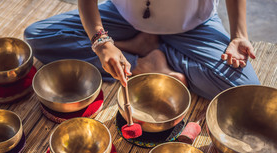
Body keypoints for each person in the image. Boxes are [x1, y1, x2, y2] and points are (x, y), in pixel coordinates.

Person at [24, 0, 260, 100]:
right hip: (124, 18)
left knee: (244, 92)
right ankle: (141, 59)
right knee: (39, 37)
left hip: (191, 26)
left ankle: (152, 51)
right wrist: (102, 42)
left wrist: (239, 35)